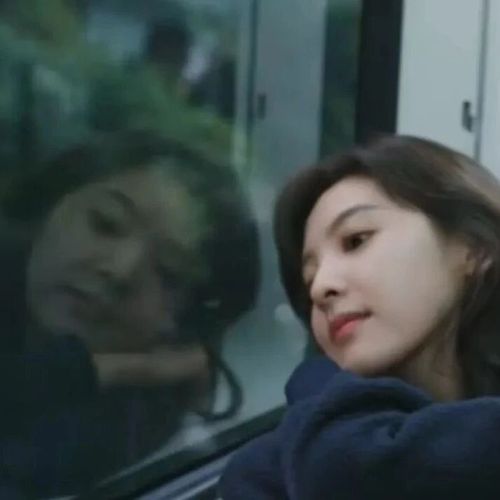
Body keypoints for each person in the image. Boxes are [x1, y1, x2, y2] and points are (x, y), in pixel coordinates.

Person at [220, 135, 500, 499]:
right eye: (309, 279)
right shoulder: (265, 475)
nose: (321, 287)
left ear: (473, 249)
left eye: (356, 240)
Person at [0, 129, 260, 497]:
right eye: (105, 224)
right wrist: (111, 368)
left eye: (168, 273)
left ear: (186, 321)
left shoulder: (141, 450)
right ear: (51, 203)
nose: (120, 270)